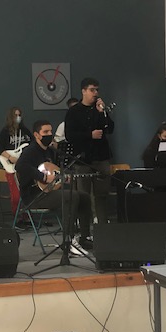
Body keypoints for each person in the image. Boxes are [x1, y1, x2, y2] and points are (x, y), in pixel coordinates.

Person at [15, 119, 93, 251]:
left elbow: (55, 172)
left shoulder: (51, 151)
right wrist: (43, 177)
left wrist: (64, 178)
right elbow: (20, 166)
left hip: (49, 191)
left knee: (84, 197)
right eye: (45, 132)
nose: (49, 134)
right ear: (36, 135)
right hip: (34, 195)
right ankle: (68, 240)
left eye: (50, 131)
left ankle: (85, 237)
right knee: (71, 196)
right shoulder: (30, 151)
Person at [65, 78, 114, 224]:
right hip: (82, 159)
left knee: (102, 195)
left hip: (101, 157)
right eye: (92, 90)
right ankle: (85, 230)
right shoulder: (73, 112)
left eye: (97, 90)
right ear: (83, 91)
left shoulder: (99, 110)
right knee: (83, 196)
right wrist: (89, 135)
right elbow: (69, 135)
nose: (95, 93)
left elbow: (110, 129)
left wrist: (102, 112)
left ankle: (103, 227)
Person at [0, 106, 33, 216]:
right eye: (15, 115)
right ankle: (17, 217)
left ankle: (27, 217)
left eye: (19, 115)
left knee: (27, 193)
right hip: (11, 165)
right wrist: (10, 157)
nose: (18, 117)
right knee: (16, 195)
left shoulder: (24, 131)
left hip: (24, 166)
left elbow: (33, 143)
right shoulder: (5, 131)